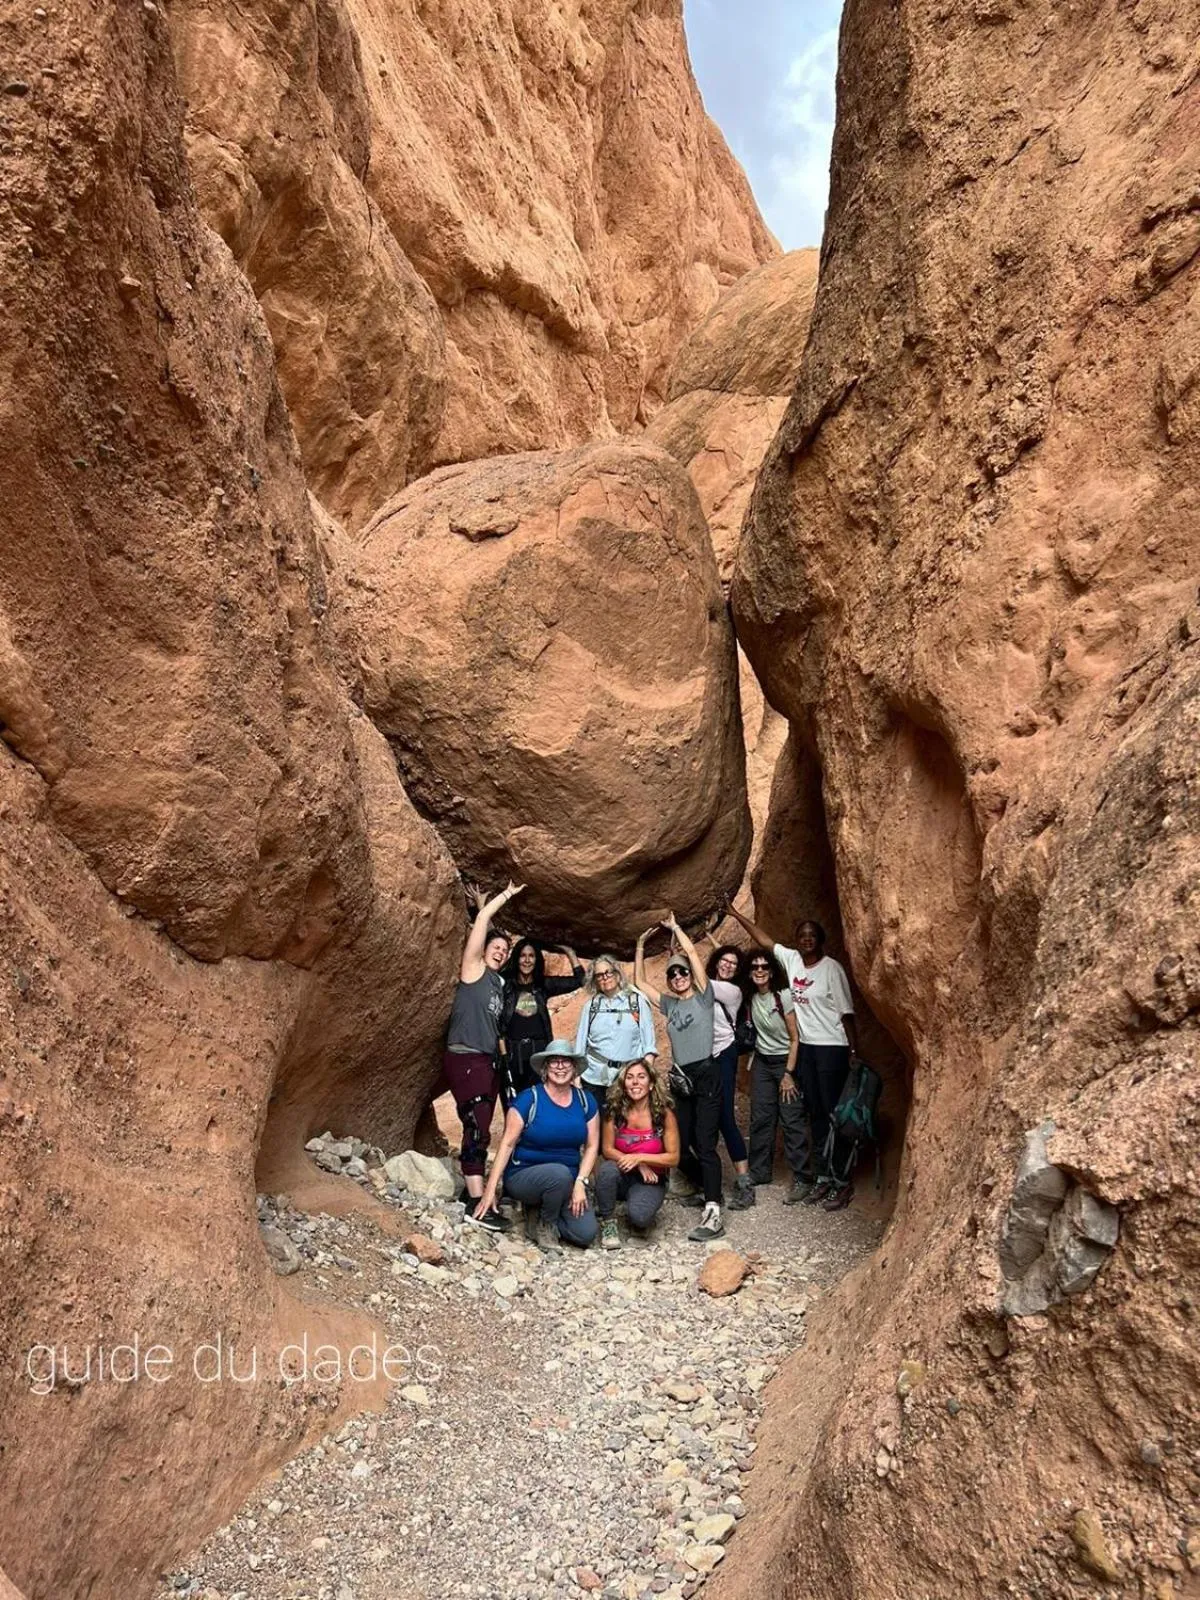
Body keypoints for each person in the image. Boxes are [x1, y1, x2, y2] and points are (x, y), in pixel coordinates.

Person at [729, 905, 860, 1210]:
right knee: (815, 1114)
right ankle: (823, 1178)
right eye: (802, 935)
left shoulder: (831, 969)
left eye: (812, 935)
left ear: (820, 939)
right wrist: (735, 914)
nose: (806, 939)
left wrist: (854, 1051)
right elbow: (763, 940)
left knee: (831, 1115)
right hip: (808, 1051)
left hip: (832, 1047)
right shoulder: (792, 960)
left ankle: (840, 1181)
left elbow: (847, 1013)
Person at [635, 914, 724, 1242]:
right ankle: (707, 1185)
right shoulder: (670, 1005)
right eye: (672, 974)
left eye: (681, 971)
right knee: (679, 1144)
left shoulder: (704, 997)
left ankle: (713, 1210)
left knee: (705, 1143)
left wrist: (675, 929)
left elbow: (696, 960)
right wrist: (641, 945)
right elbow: (641, 984)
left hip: (707, 1074)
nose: (677, 976)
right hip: (682, 1078)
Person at [443, 879, 523, 1231]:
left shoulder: (498, 983)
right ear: (483, 948)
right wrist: (499, 900)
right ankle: (477, 1203)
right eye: (497, 946)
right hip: (465, 1057)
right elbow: (479, 932)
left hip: (487, 1060)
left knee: (482, 1126)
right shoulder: (472, 969)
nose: (501, 952)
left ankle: (472, 1191)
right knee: (476, 1126)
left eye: (505, 950)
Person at [474, 1040, 599, 1249]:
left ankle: (537, 1214)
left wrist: (580, 1182)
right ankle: (546, 1224)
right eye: (554, 1062)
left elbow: (593, 1145)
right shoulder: (528, 1099)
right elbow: (506, 1144)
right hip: (525, 1175)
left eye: (566, 1062)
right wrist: (490, 1190)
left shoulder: (586, 1101)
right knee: (558, 1175)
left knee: (585, 1233)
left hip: (568, 1180)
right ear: (545, 1068)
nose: (560, 1067)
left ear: (574, 1068)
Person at [742, 947, 811, 1201]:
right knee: (761, 1117)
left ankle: (802, 1177)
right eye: (754, 967)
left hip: (785, 1061)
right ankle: (759, 1172)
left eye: (764, 967)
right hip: (761, 1061)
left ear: (771, 971)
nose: (759, 971)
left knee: (791, 1118)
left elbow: (795, 1038)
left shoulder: (782, 996)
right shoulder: (750, 997)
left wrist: (788, 1074)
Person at [595, 1059, 680, 1248]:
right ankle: (608, 1222)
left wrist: (640, 1157)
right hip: (621, 1174)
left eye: (641, 1077)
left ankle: (634, 1201)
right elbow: (607, 1149)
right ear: (623, 1084)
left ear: (650, 1084)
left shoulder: (663, 1114)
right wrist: (637, 1164)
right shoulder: (614, 1111)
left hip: (651, 1179)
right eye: (630, 1077)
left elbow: (673, 1158)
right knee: (607, 1170)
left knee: (640, 1218)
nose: (635, 1082)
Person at [497, 938, 586, 1107]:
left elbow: (580, 980)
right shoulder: (506, 986)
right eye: (523, 956)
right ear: (516, 958)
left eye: (531, 956)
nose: (527, 960)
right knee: (512, 1104)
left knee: (539, 1103)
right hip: (512, 1053)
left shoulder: (543, 985)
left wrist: (570, 952)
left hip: (538, 1053)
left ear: (537, 959)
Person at [573, 954, 658, 1108]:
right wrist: (577, 1076)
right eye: (599, 975)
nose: (605, 977)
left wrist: (644, 1077)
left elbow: (649, 1045)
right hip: (593, 1078)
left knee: (625, 1127)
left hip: (627, 1079)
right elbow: (580, 1045)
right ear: (595, 981)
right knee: (597, 1127)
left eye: (608, 972)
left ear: (617, 974)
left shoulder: (636, 1002)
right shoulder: (591, 1007)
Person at [706, 943, 753, 1210]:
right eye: (724, 960)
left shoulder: (732, 991)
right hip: (706, 1058)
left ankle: (744, 1182)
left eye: (734, 964)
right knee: (707, 1120)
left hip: (724, 1055)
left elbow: (702, 983)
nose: (727, 965)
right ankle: (709, 1184)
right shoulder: (706, 985)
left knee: (725, 1117)